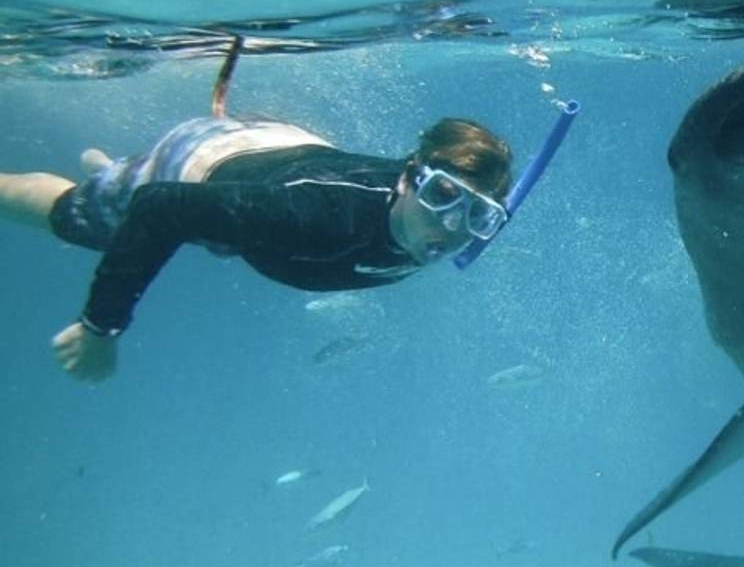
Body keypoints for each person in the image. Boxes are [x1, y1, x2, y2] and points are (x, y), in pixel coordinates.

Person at [0, 109, 513, 383]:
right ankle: (103, 183)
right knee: (75, 219)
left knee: (131, 193)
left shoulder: (438, 226)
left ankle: (111, 174)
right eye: (441, 196)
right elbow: (160, 208)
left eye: (478, 214)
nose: (451, 228)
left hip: (278, 151)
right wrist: (101, 326)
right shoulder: (315, 218)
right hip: (202, 159)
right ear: (408, 179)